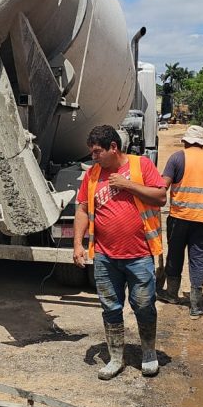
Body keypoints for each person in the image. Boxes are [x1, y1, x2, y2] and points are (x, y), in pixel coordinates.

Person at [73, 124, 166, 380]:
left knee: (144, 304)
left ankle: (149, 353)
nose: (93, 157)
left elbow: (160, 197)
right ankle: (116, 358)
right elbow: (82, 210)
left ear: (113, 147)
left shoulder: (141, 166)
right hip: (105, 256)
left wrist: (128, 185)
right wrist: (78, 244)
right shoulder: (92, 175)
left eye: (97, 152)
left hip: (139, 254)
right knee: (110, 307)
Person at [161, 124, 203, 317]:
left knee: (175, 255)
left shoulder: (178, 158)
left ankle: (172, 293)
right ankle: (196, 306)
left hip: (180, 216)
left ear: (186, 141)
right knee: (198, 258)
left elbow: (162, 186)